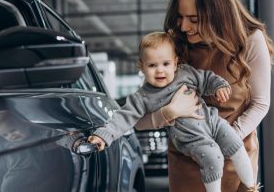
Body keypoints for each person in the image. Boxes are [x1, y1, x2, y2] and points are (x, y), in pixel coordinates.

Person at [135, 0, 274, 191]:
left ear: (218, 15)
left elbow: (260, 103)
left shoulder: (251, 40)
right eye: (181, 17)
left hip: (235, 156)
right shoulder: (175, 44)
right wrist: (168, 113)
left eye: (194, 19)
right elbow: (143, 112)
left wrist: (225, 139)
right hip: (186, 159)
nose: (184, 26)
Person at [88, 32, 259, 192]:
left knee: (236, 144)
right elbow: (123, 117)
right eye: (152, 65)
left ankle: (251, 187)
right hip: (190, 137)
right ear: (142, 67)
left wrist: (218, 86)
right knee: (213, 157)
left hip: (213, 121)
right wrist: (104, 135)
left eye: (165, 64)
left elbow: (206, 79)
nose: (160, 70)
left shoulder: (185, 73)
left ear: (176, 63)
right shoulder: (142, 97)